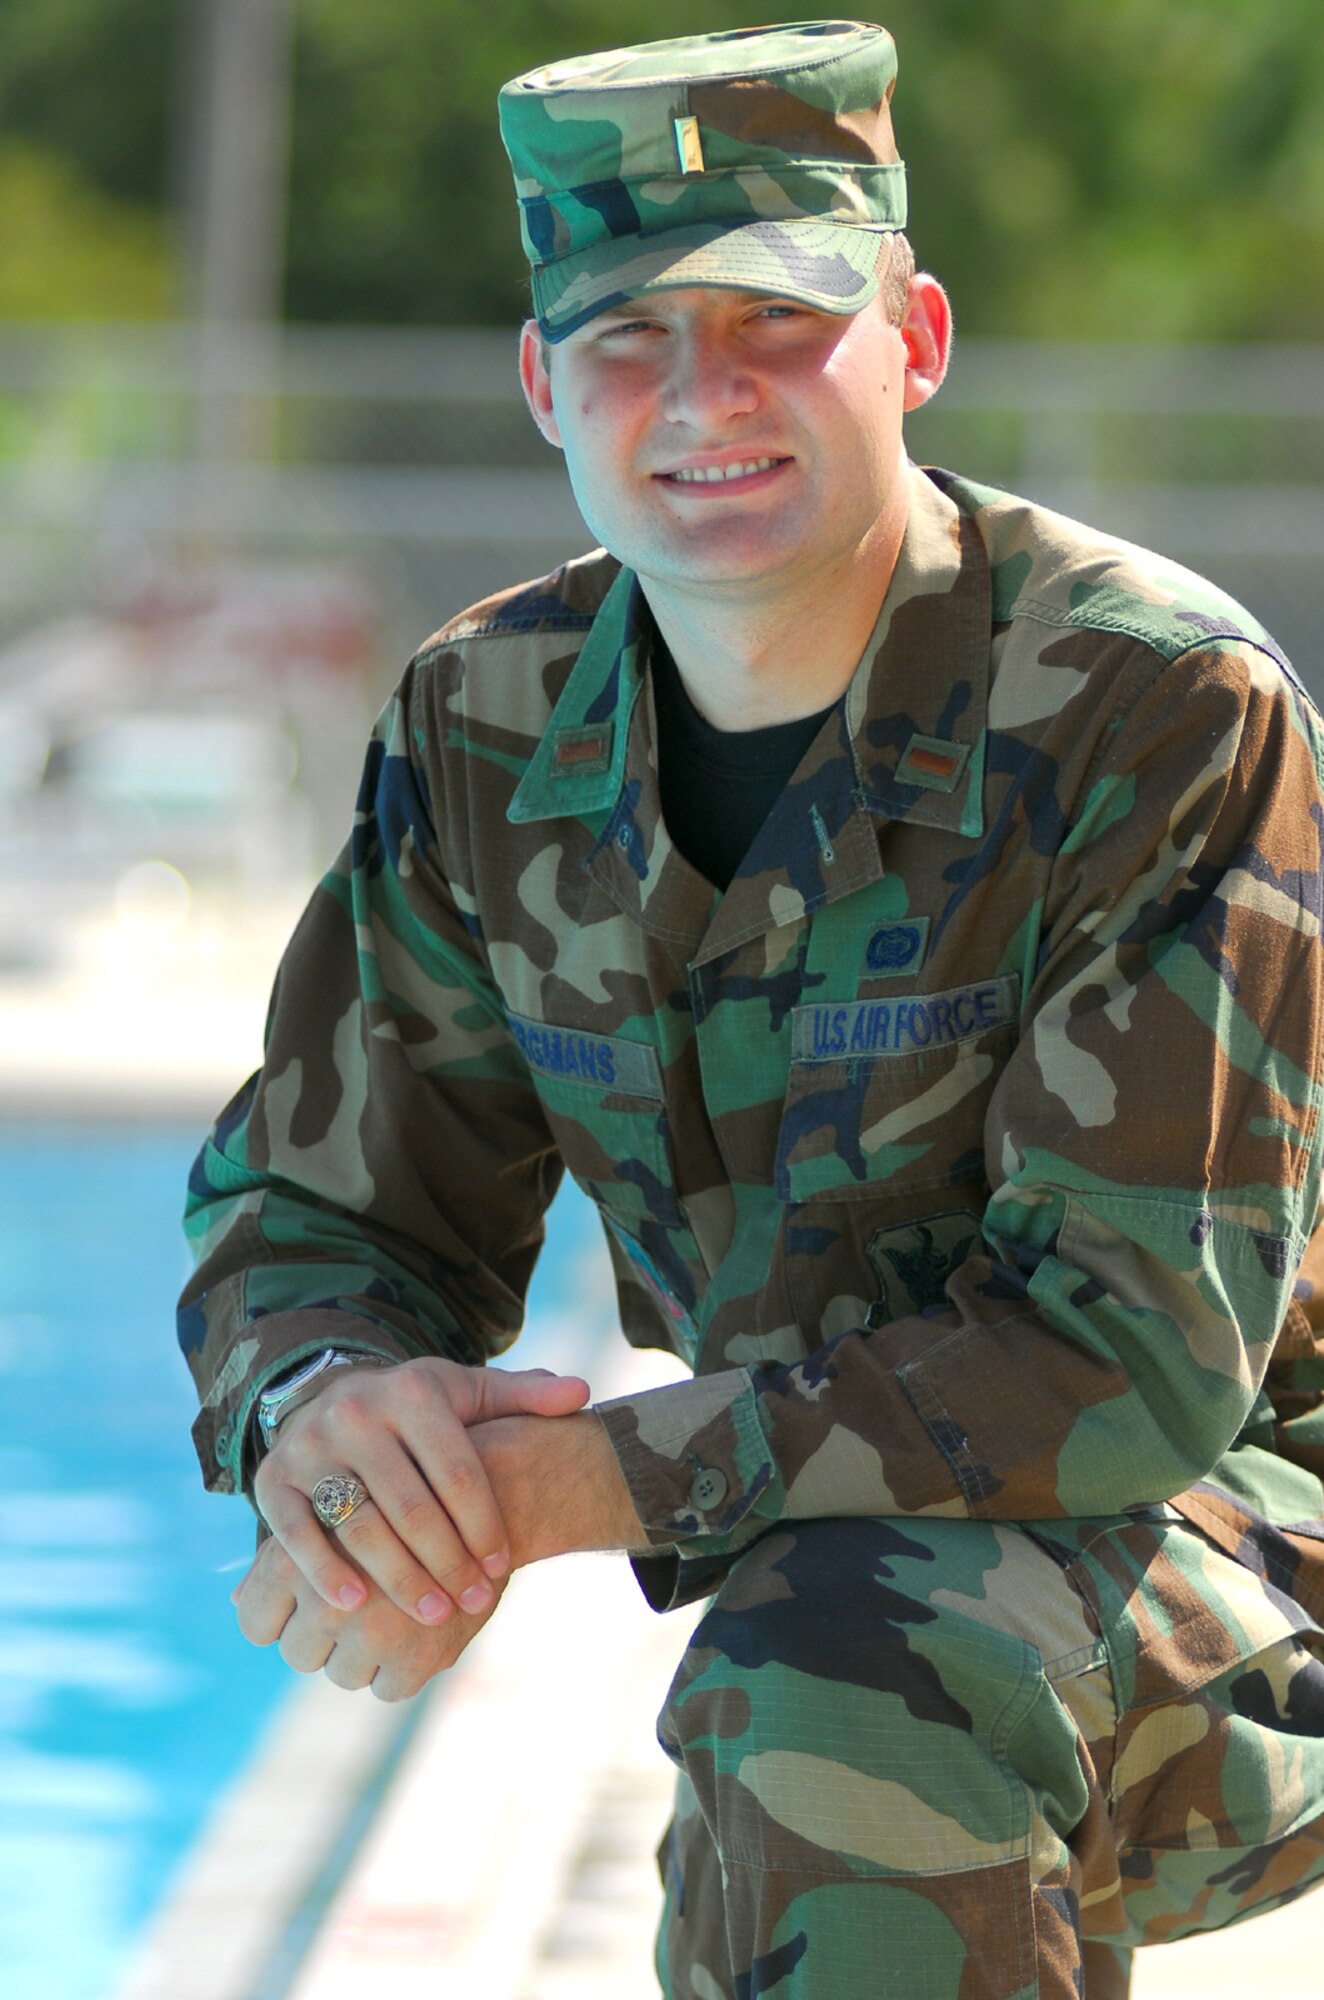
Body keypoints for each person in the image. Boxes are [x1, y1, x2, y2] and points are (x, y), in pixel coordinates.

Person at [179, 21, 1324, 1999]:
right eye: (627, 339)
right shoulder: (485, 723)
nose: (701, 395)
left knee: (835, 1670)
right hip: (867, 1547)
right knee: (831, 1641)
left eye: (775, 321)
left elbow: (1119, 1358)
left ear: (915, 337)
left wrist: (566, 1482)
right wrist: (334, 1419)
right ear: (545, 387)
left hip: (1243, 1553)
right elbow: (322, 1212)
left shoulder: (1150, 710)